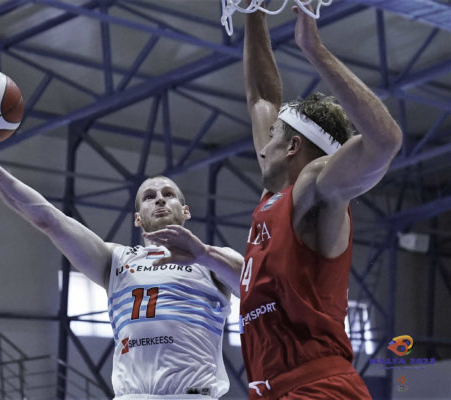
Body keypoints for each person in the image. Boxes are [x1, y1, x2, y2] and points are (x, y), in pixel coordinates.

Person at [146, 3, 403, 400]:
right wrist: (255, 12)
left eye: (272, 138)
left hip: (319, 388)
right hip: (274, 390)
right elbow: (261, 98)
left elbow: (385, 141)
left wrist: (314, 49)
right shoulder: (275, 197)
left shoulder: (316, 187)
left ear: (293, 147)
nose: (261, 148)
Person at [0, 106, 244, 399]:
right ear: (137, 218)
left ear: (186, 210)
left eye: (169, 194)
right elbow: (47, 219)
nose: (160, 199)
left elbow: (255, 287)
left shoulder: (214, 259)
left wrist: (203, 254)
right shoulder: (116, 259)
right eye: (149, 197)